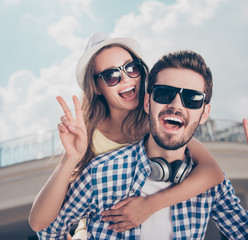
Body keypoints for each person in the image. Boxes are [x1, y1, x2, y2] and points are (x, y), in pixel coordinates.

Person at [36, 50, 248, 239]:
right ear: (147, 103)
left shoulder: (212, 187)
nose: (177, 104)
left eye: (192, 98)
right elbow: (46, 230)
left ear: (204, 112)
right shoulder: (100, 172)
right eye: (165, 94)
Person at [28, 33, 224, 237]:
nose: (126, 78)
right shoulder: (86, 138)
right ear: (96, 87)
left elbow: (213, 173)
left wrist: (150, 205)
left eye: (132, 68)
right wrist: (69, 160)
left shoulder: (160, 125)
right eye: (111, 76)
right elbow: (38, 222)